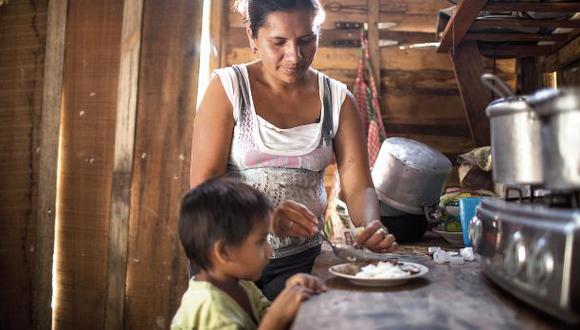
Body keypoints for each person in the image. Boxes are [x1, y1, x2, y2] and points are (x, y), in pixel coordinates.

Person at [190, 0, 398, 300]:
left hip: (302, 262)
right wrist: (264, 219)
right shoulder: (228, 89)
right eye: (278, 42)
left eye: (306, 40)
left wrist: (370, 226)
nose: (295, 56)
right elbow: (204, 185)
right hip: (228, 260)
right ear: (252, 36)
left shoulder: (338, 100)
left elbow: (359, 187)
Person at [172, 178, 327, 330]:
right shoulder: (211, 309)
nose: (270, 250)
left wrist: (290, 292)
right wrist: (276, 318)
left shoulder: (241, 285)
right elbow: (271, 322)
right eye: (261, 241)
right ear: (224, 252)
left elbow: (264, 316)